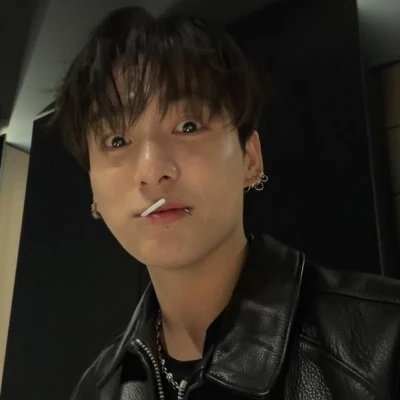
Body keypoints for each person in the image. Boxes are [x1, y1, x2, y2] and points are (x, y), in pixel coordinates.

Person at [54, 6, 400, 400]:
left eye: (187, 126)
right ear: (94, 192)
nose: (151, 170)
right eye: (117, 141)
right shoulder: (97, 389)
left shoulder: (383, 340)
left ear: (250, 158)